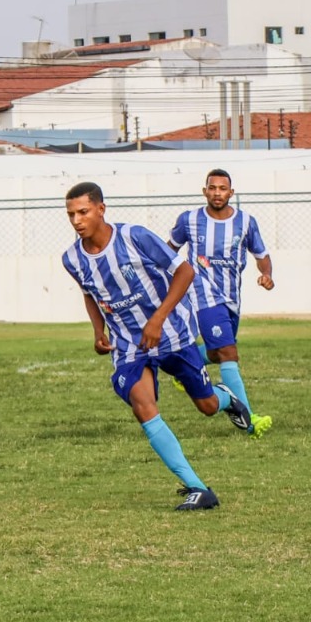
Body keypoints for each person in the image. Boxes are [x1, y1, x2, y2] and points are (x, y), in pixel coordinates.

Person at [60, 182, 253, 511]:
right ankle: (197, 487)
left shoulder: (135, 237)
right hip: (128, 345)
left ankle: (227, 398)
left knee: (206, 406)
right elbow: (89, 293)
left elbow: (185, 271)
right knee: (142, 404)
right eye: (71, 214)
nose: (77, 220)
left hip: (173, 334)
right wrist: (98, 331)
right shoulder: (72, 259)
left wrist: (158, 319)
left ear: (101, 209)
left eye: (83, 212)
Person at [168, 169, 274, 437]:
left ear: (231, 193)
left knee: (217, 354)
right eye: (212, 188)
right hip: (201, 294)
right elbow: (168, 249)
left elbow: (261, 254)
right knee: (229, 354)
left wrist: (266, 274)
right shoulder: (189, 220)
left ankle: (184, 366)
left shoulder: (246, 222)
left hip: (231, 298)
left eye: (222, 188)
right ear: (205, 191)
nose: (217, 193)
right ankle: (248, 419)